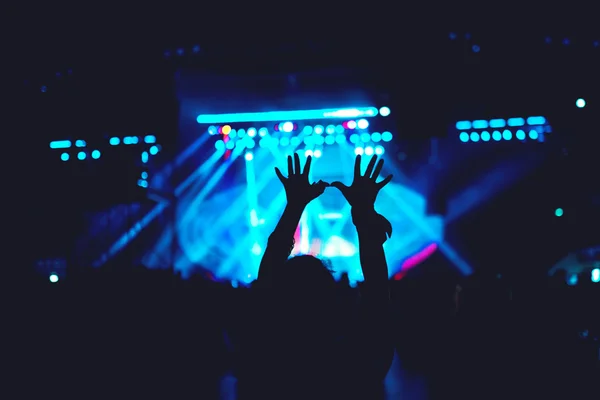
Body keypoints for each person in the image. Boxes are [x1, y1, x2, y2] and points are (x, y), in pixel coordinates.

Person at [236, 153, 394, 399]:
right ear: (334, 301)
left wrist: (294, 206)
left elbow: (267, 286)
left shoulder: (260, 357)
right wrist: (363, 214)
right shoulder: (358, 364)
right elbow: (378, 298)